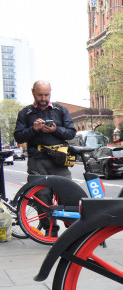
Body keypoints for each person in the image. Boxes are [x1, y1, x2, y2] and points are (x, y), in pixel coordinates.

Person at [14, 80, 77, 236]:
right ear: (33, 92)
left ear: (50, 92)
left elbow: (71, 133)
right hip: (37, 161)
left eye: (46, 94)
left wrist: (55, 130)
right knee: (42, 199)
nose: (43, 98)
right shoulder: (25, 113)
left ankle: (73, 232)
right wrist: (33, 129)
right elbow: (18, 137)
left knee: (68, 196)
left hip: (59, 160)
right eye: (40, 94)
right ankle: (50, 233)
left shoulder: (61, 110)